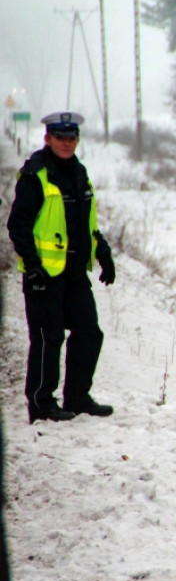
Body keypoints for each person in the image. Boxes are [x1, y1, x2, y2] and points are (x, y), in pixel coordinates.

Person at [6, 111, 115, 423]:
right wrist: (33, 265)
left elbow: (86, 223)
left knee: (89, 333)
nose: (66, 143)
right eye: (60, 137)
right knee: (48, 337)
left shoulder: (80, 173)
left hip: (74, 274)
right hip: (45, 275)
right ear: (48, 138)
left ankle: (78, 397)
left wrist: (102, 250)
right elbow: (19, 225)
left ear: (77, 140)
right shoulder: (35, 175)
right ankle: (41, 404)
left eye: (71, 138)